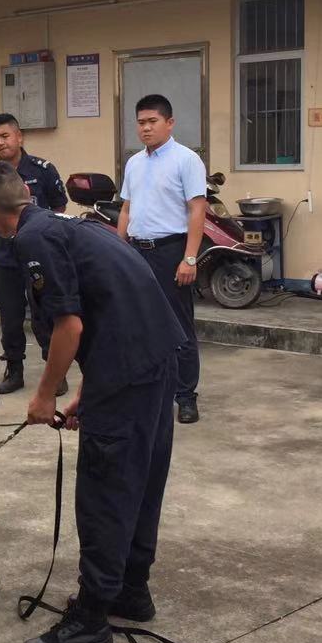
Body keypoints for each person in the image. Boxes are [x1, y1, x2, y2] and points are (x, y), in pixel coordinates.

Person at [0, 160, 184, 643]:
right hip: (155, 361)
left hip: (129, 371)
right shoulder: (74, 223)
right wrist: (93, 390)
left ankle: (91, 619)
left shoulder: (32, 241)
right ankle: (131, 590)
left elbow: (70, 326)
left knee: (105, 491)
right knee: (140, 480)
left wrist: (44, 396)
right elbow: (110, 306)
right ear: (26, 192)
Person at [117, 94, 207, 424]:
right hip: (137, 252)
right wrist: (119, 249)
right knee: (139, 325)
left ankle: (185, 396)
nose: (145, 128)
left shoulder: (186, 160)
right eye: (141, 122)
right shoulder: (134, 163)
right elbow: (127, 208)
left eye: (152, 121)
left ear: (169, 123)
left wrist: (190, 259)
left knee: (179, 327)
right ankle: (150, 391)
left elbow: (197, 209)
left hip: (172, 252)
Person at [0, 113, 68, 396]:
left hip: (39, 258)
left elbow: (58, 210)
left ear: (19, 137)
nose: (0, 143)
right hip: (6, 258)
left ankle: (54, 370)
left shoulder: (42, 170)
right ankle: (14, 369)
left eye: (5, 136)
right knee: (10, 316)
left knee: (46, 314)